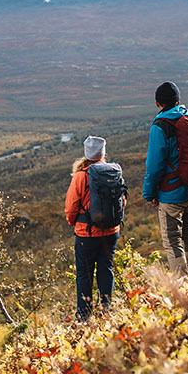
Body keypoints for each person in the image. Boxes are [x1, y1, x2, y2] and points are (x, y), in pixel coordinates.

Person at [143, 81, 188, 278]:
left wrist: (149, 193)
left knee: (172, 241)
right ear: (178, 101)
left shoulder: (160, 126)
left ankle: (183, 287)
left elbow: (154, 166)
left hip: (170, 194)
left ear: (158, 103)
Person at [65, 136, 119, 320]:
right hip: (111, 232)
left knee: (84, 275)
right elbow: (122, 200)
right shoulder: (114, 172)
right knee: (106, 269)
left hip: (86, 233)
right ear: (103, 153)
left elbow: (71, 206)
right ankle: (106, 311)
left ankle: (84, 316)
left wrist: (73, 222)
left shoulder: (81, 176)